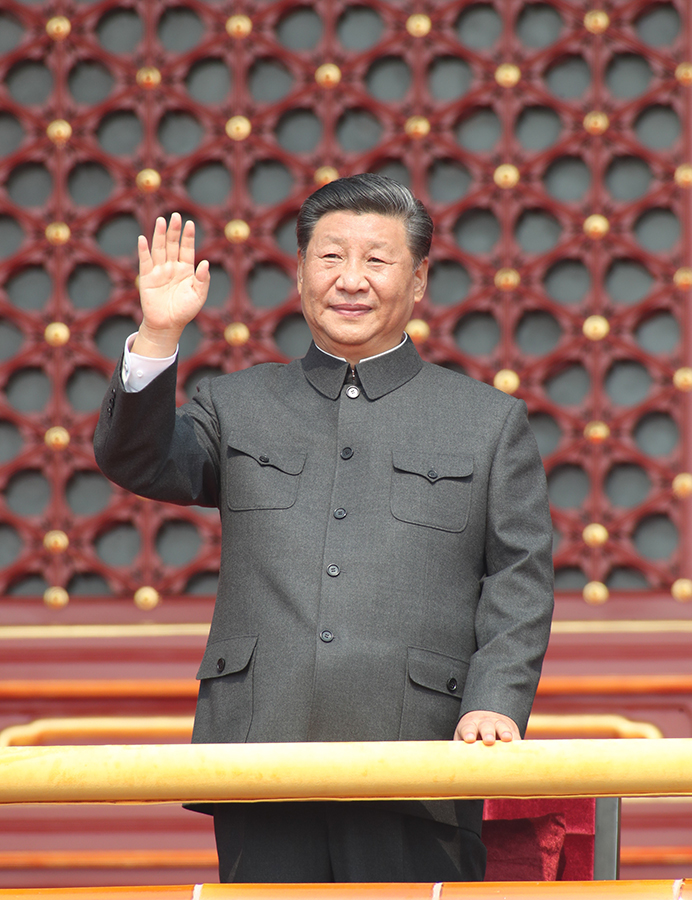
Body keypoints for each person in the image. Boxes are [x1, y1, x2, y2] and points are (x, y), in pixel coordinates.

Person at [94, 173, 554, 884]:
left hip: (421, 755)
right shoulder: (237, 403)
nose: (351, 279)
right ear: (301, 272)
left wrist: (495, 701)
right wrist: (159, 334)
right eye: (331, 256)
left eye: (377, 259)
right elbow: (138, 461)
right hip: (260, 746)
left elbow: (519, 577)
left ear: (418, 280)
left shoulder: (487, 422)